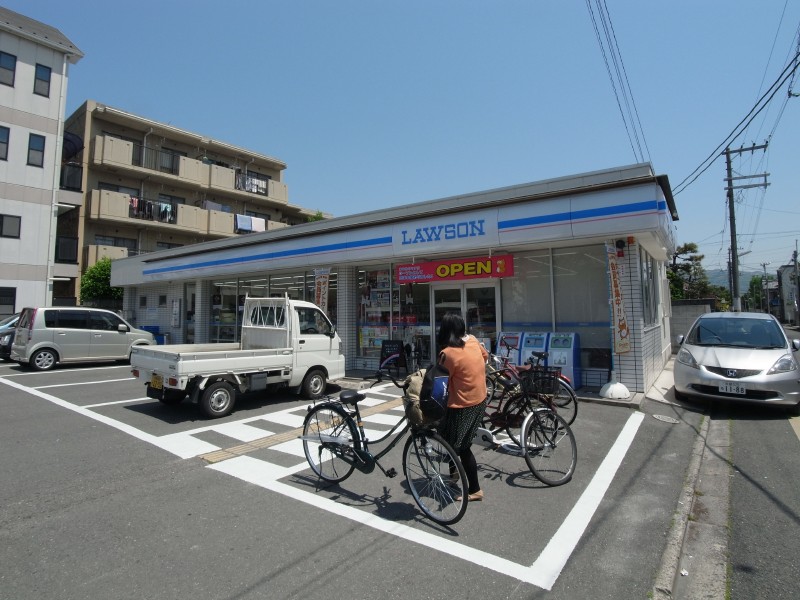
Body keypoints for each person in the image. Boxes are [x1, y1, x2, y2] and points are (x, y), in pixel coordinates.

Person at [436, 312, 488, 501]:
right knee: (451, 438)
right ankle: (454, 473)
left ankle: (475, 490)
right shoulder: (473, 340)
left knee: (462, 446)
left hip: (462, 404)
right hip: (479, 399)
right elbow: (485, 356)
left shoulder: (448, 354)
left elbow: (439, 382)